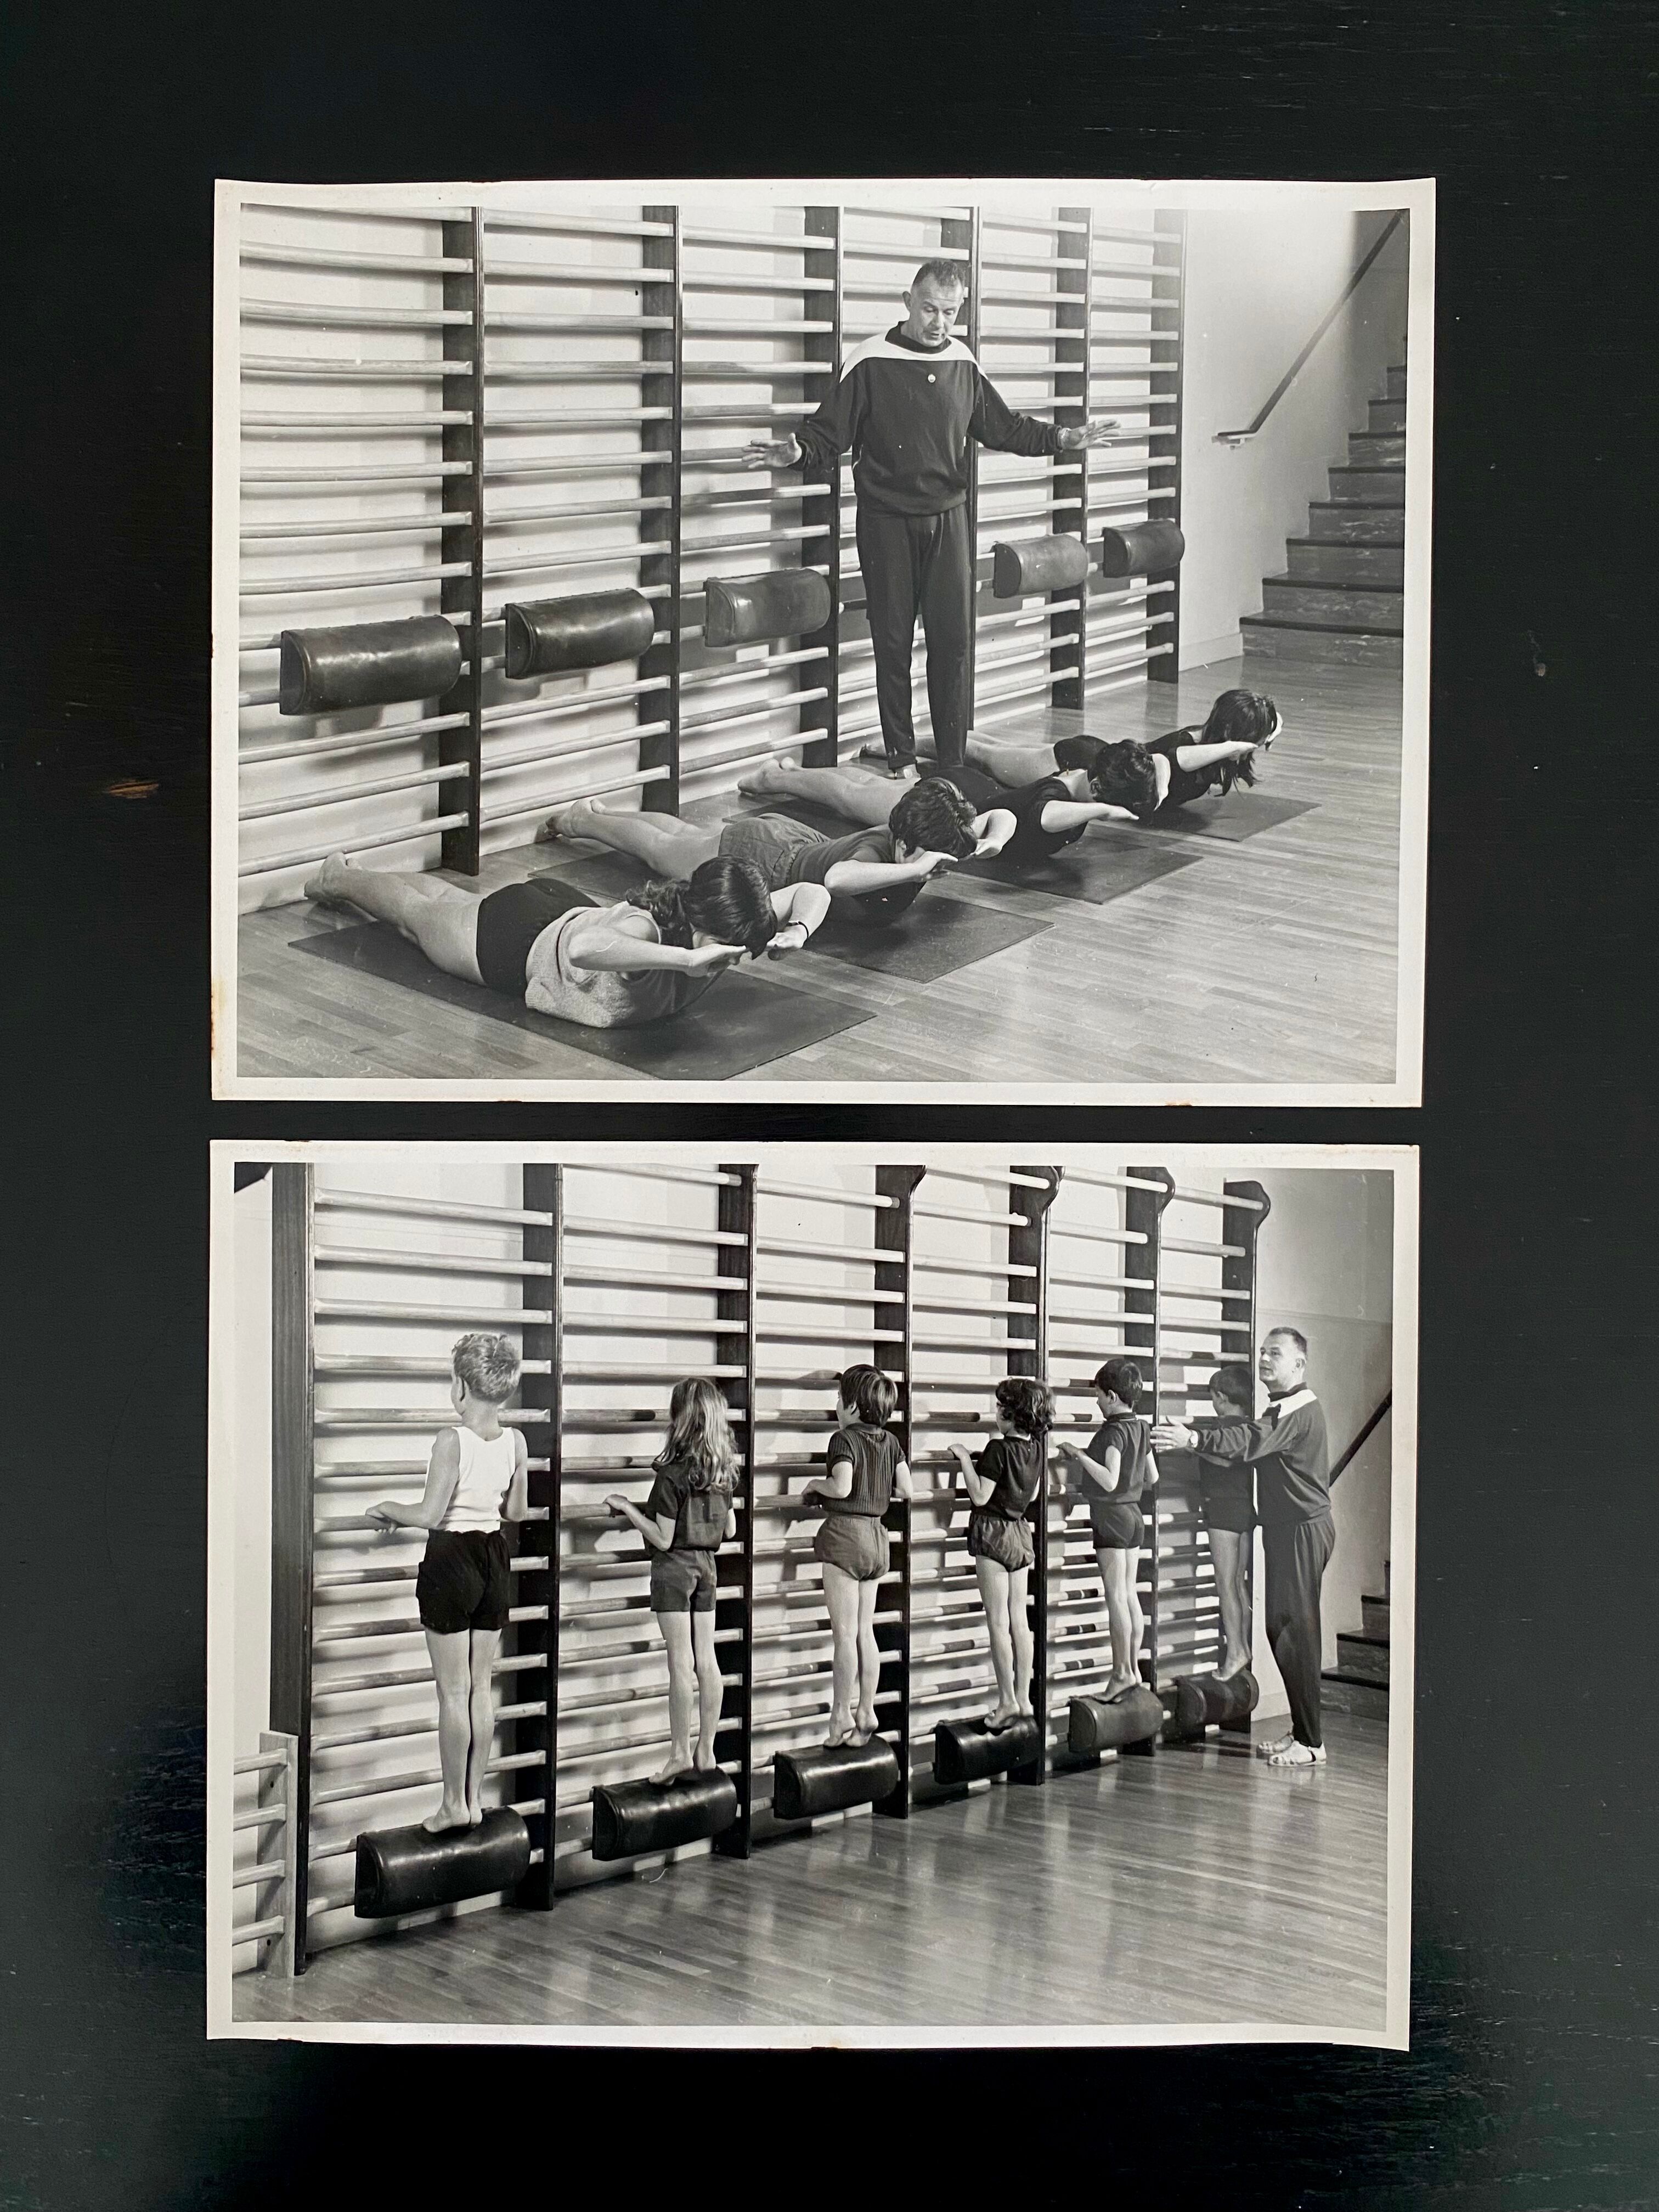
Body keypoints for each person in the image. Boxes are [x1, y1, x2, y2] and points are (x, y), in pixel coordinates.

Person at [742, 259, 1120, 776]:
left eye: (950, 312)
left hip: (949, 522)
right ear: (907, 302)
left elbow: (1005, 428)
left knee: (953, 645)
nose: (939, 322)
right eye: (928, 310)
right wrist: (797, 453)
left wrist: (1062, 438)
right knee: (893, 645)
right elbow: (828, 435)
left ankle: (951, 761)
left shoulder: (962, 361)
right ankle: (901, 759)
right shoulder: (870, 360)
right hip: (886, 523)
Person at [302, 848, 798, 1029]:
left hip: (559, 909)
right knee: (415, 918)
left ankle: (356, 874)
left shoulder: (731, 920)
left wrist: (796, 932)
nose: (733, 956)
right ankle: (338, 878)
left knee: (448, 903)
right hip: (518, 941)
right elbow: (584, 950)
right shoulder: (646, 931)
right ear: (703, 919)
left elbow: (808, 892)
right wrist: (685, 962)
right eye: (726, 944)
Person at [366, 1333, 530, 1833]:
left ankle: (451, 1805)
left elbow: (430, 1515)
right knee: (481, 1687)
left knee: (452, 1692)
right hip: (494, 1557)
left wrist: (388, 1508)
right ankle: (473, 1801)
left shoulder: (451, 1440)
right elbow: (517, 1511)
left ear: (460, 1386)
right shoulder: (517, 1441)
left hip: (453, 1560)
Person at [1153, 1327, 1333, 1769]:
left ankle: (1311, 1743)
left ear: (1299, 1364)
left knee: (1295, 1634)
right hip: (1286, 1529)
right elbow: (1245, 1440)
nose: (1265, 1359)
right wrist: (1198, 1439)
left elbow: (1248, 1440)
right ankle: (1304, 1732)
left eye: (1276, 1354)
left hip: (1301, 1531)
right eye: (1263, 1352)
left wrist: (1194, 1440)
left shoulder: (1295, 1408)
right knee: (1282, 1630)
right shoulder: (1280, 1407)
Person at [541, 775, 989, 928]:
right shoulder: (877, 854)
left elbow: (998, 818)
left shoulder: (926, 843)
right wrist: (916, 870)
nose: (936, 867)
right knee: (663, 851)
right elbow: (837, 880)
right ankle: (580, 822)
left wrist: (991, 842)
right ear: (904, 844)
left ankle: (606, 813)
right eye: (924, 858)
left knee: (681, 836)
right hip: (768, 859)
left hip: (791, 843)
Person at [605, 1378, 738, 1784]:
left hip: (674, 1570)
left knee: (680, 1663)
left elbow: (662, 1538)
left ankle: (680, 1752)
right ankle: (706, 1749)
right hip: (707, 1568)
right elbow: (730, 1530)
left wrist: (628, 1508)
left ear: (679, 1420)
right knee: (707, 1660)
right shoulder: (722, 1473)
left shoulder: (672, 1475)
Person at [738, 754, 1133, 876]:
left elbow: (1013, 820)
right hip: (954, 798)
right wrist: (1103, 810)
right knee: (850, 796)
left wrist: (996, 842)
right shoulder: (1054, 802)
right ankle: (772, 778)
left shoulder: (1063, 796)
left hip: (965, 792)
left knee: (864, 786)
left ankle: (792, 773)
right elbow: (1043, 816)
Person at [949, 687, 1284, 820]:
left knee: (993, 749)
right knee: (985, 756)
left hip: (1094, 753)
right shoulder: (1191, 747)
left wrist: (1272, 728)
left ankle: (934, 743)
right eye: (1250, 743)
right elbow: (1170, 760)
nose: (1253, 749)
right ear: (1232, 737)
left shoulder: (1213, 743)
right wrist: (1234, 748)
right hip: (1080, 762)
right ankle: (921, 739)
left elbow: (1274, 721)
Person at [799, 1364, 914, 1746]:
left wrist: (815, 1484)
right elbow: (907, 1490)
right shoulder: (892, 1441)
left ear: (851, 1406)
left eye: (839, 1399)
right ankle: (867, 1709)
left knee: (844, 1635)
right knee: (866, 1631)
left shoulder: (843, 1439)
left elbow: (842, 1487)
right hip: (878, 1538)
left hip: (846, 1537)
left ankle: (840, 1717)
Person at [947, 1376, 1053, 1730]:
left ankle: (1006, 1700)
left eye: (999, 1407)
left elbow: (980, 1495)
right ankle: (1023, 1698)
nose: (996, 1412)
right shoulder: (1036, 1449)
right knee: (1020, 1621)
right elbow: (1033, 1495)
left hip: (993, 1533)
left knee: (998, 1621)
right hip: (1020, 1534)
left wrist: (965, 1458)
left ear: (1010, 1414)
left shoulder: (997, 1449)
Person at [1054, 1357, 1160, 1700]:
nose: (1097, 1402)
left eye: (1099, 1395)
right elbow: (1153, 1476)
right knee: (1129, 1595)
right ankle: (1133, 1670)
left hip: (1112, 1517)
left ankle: (1121, 1673)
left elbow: (1110, 1480)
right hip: (1134, 1516)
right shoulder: (1141, 1427)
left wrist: (1079, 1454)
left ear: (1112, 1396)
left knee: (1116, 1597)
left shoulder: (1113, 1431)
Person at [1197, 1363, 1259, 1680]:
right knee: (1238, 1583)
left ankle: (1235, 1652)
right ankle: (1243, 1648)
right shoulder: (1249, 1426)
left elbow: (1223, 1460)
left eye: (1213, 1397)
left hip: (1223, 1511)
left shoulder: (1222, 1429)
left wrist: (1192, 1446)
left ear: (1221, 1397)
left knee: (1225, 1584)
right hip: (1245, 1509)